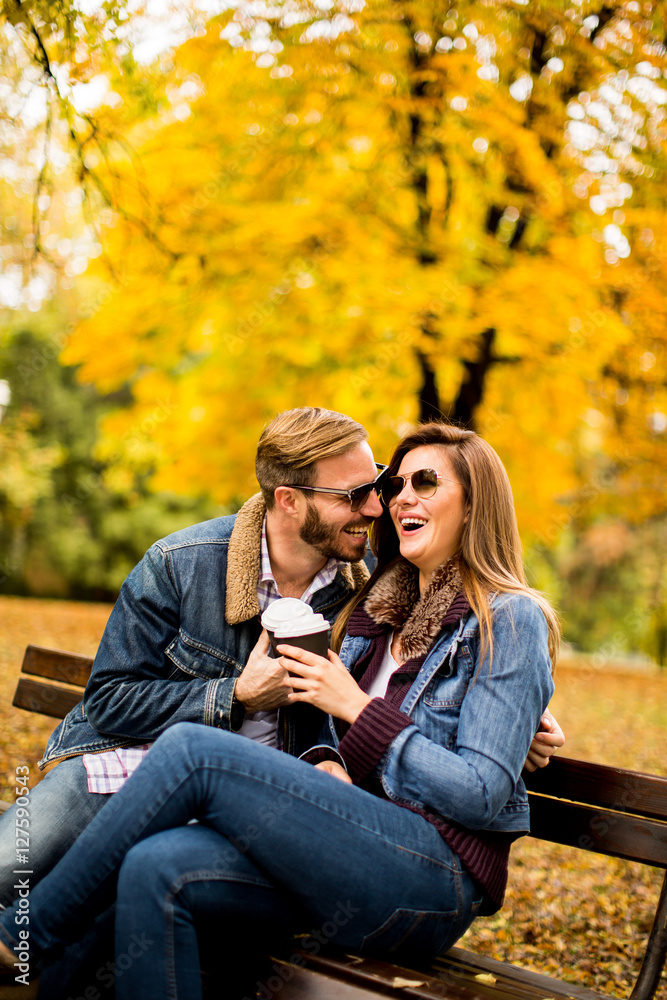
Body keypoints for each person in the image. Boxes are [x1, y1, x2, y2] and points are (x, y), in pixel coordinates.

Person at [0, 422, 560, 999]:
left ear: (474, 506)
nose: (398, 499)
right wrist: (327, 757)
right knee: (155, 863)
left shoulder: (510, 618)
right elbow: (327, 732)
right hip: (344, 845)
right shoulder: (374, 610)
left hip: (431, 877)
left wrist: (364, 711)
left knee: (196, 752)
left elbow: (481, 791)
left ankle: (23, 936)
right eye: (397, 485)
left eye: (425, 482)